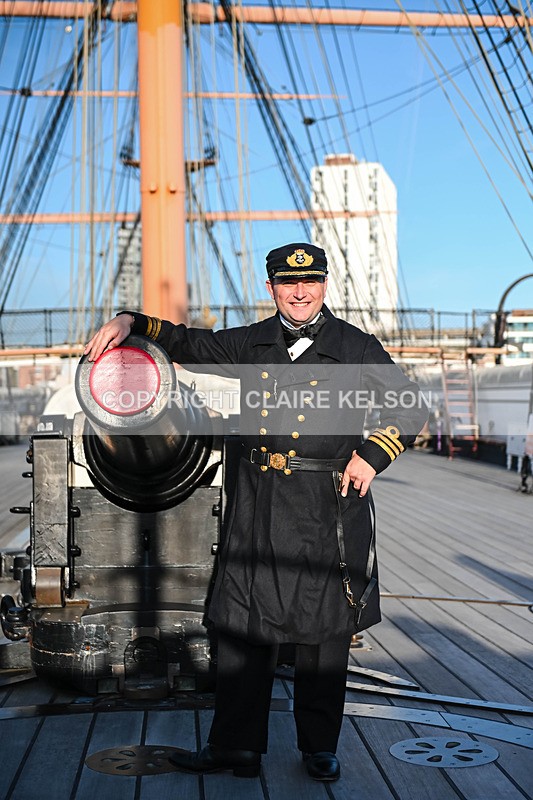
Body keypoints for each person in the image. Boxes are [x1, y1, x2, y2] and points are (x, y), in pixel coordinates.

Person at [85, 242, 427, 782]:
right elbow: (186, 341)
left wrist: (373, 453)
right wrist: (132, 320)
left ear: (323, 285)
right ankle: (235, 748)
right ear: (271, 288)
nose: (300, 291)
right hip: (258, 505)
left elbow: (412, 405)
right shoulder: (250, 342)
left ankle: (319, 746)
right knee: (242, 629)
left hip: (326, 508)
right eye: (289, 284)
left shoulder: (354, 347)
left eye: (310, 282)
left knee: (323, 634)